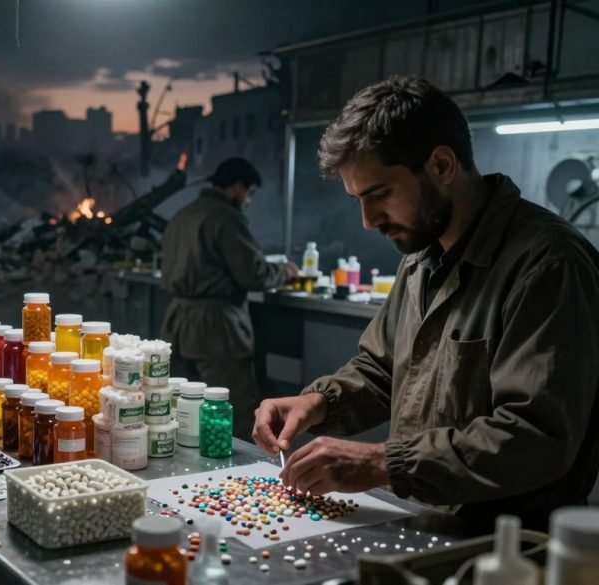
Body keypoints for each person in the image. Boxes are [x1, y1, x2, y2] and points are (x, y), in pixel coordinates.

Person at [252, 76, 599, 532]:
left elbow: (536, 437)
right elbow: (382, 371)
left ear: (441, 165)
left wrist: (382, 463)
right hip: (421, 517)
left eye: (379, 195)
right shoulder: (421, 257)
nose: (369, 220)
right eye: (358, 200)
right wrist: (318, 402)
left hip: (503, 543)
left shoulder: (547, 264)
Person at [162, 157, 299, 437]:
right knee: (230, 408)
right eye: (249, 194)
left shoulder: (184, 214)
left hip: (177, 323)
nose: (248, 201)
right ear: (238, 187)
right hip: (216, 330)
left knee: (184, 410)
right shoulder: (226, 217)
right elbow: (254, 275)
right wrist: (285, 271)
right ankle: (235, 476)